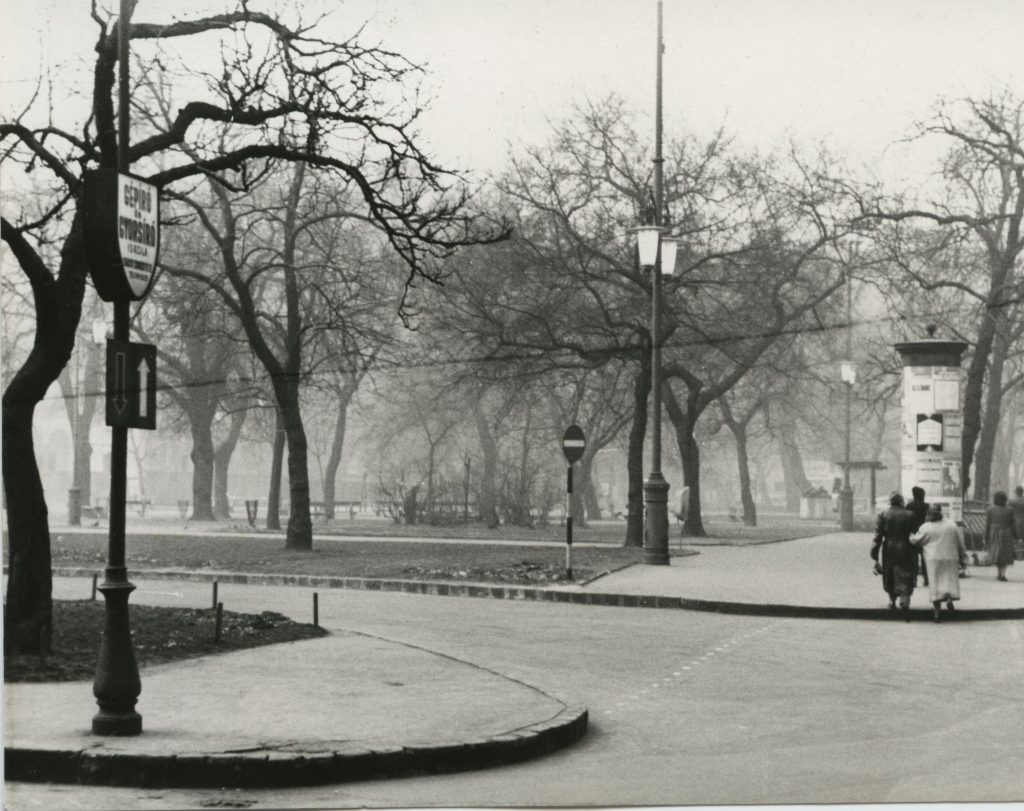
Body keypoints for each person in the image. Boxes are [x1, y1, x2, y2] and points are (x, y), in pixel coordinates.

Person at [910, 504, 969, 622]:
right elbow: (960, 543)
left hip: (934, 559)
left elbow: (916, 541)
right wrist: (964, 559)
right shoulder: (952, 525)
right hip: (950, 558)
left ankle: (937, 613)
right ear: (940, 512)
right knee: (948, 581)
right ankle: (949, 599)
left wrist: (910, 535)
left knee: (935, 585)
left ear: (929, 514)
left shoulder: (926, 527)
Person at [870, 492, 918, 619]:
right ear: (901, 502)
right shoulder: (909, 514)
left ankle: (892, 601)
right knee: (905, 573)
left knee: (889, 573)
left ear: (890, 502)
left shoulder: (883, 514)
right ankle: (905, 600)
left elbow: (877, 536)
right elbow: (916, 533)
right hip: (905, 546)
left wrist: (874, 554)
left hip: (889, 547)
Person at [984, 490, 1019, 582]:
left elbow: (987, 524)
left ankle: (999, 572)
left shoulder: (990, 509)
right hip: (1006, 533)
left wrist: (985, 537)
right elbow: (1013, 524)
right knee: (1006, 553)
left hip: (994, 533)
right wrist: (1017, 537)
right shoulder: (1010, 510)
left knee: (997, 553)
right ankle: (1003, 573)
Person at [906, 486, 930, 586]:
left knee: (913, 558)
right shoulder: (926, 506)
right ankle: (926, 579)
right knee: (925, 557)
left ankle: (914, 579)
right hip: (925, 534)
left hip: (913, 534)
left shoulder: (909, 506)